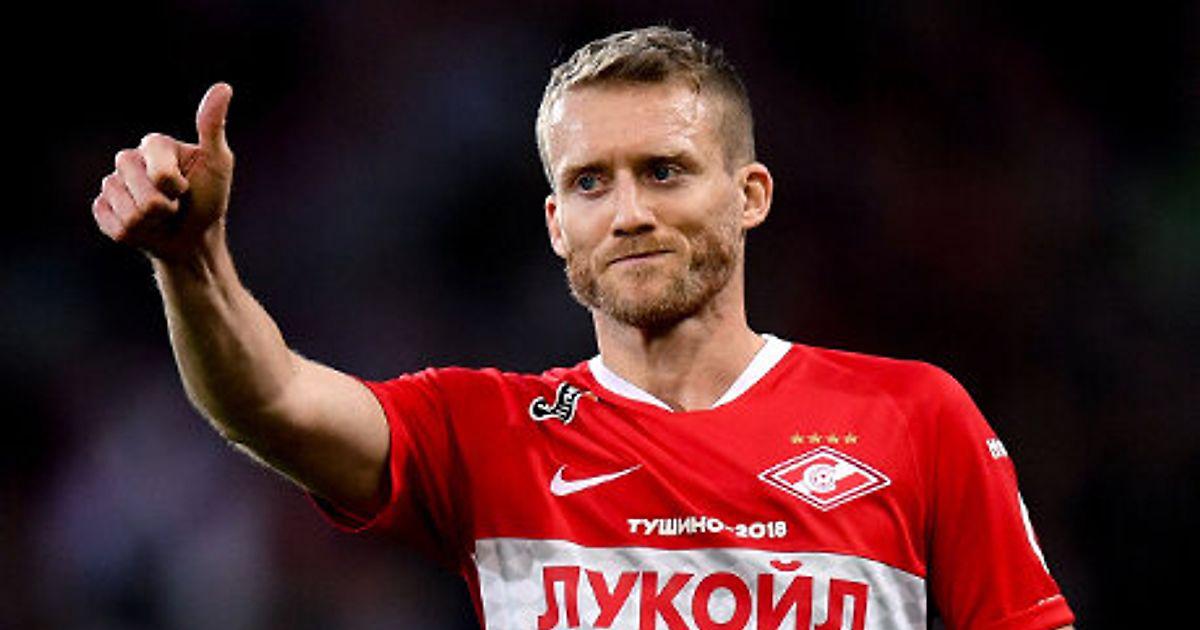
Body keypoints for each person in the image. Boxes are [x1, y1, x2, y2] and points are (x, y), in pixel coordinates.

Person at [92, 26, 1075, 630]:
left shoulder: (912, 416)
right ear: (557, 222)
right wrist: (192, 260)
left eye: (664, 171)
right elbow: (268, 401)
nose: (628, 213)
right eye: (591, 183)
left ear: (750, 195)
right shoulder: (484, 433)